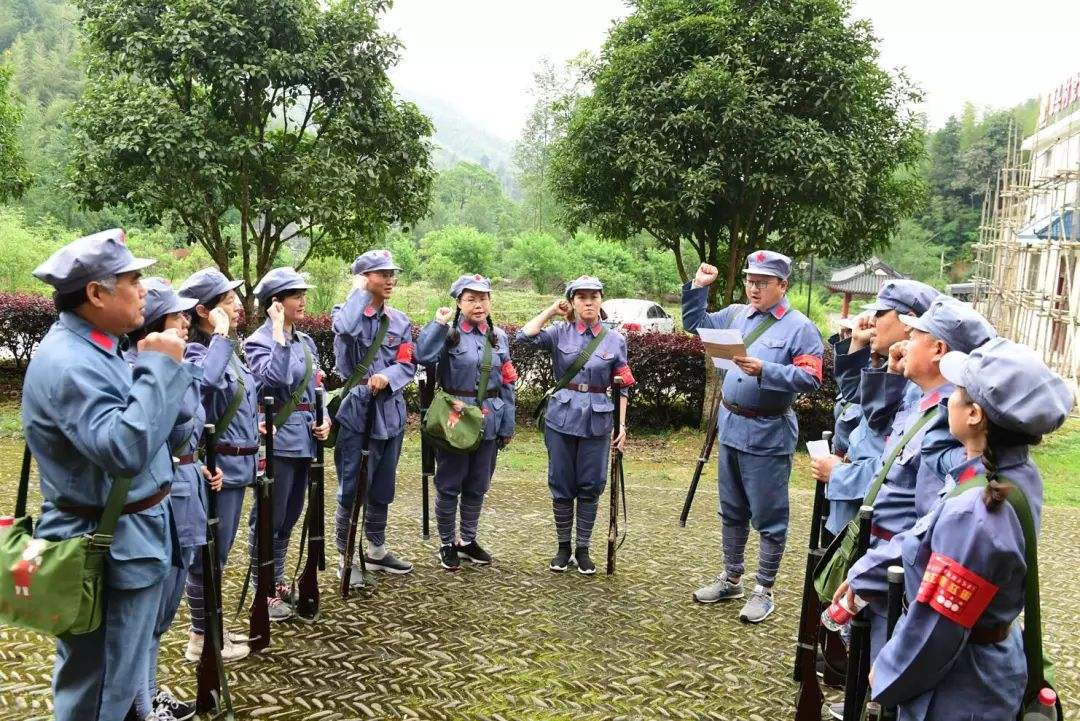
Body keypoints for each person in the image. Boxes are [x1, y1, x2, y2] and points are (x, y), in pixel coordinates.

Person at [841, 338, 1073, 719]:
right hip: (986, 668)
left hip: (958, 687)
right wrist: (867, 574)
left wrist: (887, 672)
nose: (948, 398)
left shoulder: (975, 511)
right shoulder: (1011, 474)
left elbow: (939, 629)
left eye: (957, 392)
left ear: (974, 415)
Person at [23, 229, 194, 721]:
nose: (144, 289)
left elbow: (166, 425)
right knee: (102, 693)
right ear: (96, 293)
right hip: (106, 552)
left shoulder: (105, 347)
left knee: (118, 683)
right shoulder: (72, 362)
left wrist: (161, 369)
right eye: (133, 278)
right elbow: (125, 450)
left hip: (128, 541)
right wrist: (161, 369)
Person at [684, 252, 823, 623]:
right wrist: (699, 287)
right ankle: (731, 577)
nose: (754, 288)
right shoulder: (735, 314)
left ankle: (764, 588)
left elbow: (811, 379)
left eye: (763, 282)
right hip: (731, 426)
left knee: (769, 515)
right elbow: (695, 324)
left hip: (768, 432)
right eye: (750, 280)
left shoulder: (800, 327)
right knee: (731, 509)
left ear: (783, 285)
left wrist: (768, 370)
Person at [127, 279, 224, 721]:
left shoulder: (168, 363)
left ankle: (148, 691)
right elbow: (182, 420)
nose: (186, 322)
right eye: (176, 316)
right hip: (167, 492)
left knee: (163, 609)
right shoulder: (146, 368)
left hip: (184, 480)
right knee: (151, 609)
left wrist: (197, 462)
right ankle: (142, 703)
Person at [518, 275, 635, 575]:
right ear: (572, 302)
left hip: (598, 420)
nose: (588, 302)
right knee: (561, 483)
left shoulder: (614, 339)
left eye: (594, 296)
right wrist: (549, 311)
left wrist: (622, 426)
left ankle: (583, 549)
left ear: (601, 300)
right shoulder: (559, 333)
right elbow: (524, 337)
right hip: (561, 418)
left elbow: (623, 385)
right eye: (581, 297)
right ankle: (563, 547)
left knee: (591, 485)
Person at [243, 267, 330, 619]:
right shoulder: (259, 342)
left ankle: (276, 581)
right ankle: (262, 590)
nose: (303, 301)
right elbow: (276, 378)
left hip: (305, 440)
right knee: (268, 517)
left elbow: (318, 390)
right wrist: (278, 332)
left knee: (291, 516)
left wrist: (326, 420)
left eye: (302, 294)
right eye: (295, 295)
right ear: (275, 304)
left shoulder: (306, 343)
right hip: (277, 442)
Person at [178, 267, 256, 662]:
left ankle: (213, 626)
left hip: (237, 468)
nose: (238, 306)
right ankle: (200, 637)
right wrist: (222, 338)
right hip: (216, 469)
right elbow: (203, 386)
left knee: (218, 553)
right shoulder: (196, 350)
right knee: (206, 554)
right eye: (228, 300)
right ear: (205, 311)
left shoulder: (226, 349)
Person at [416, 274, 517, 570]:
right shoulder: (448, 336)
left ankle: (467, 540)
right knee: (449, 484)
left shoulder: (499, 337)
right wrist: (438, 324)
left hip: (490, 419)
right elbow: (422, 356)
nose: (478, 304)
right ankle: (447, 543)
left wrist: (508, 424)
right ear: (459, 303)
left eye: (483, 298)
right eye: (471, 299)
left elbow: (508, 382)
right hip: (456, 421)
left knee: (477, 485)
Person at [331, 250, 416, 577]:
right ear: (365, 278)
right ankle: (345, 557)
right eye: (381, 274)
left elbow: (408, 362)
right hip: (358, 411)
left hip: (390, 413)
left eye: (392, 273)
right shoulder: (347, 313)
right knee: (352, 487)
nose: (390, 279)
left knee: (383, 485)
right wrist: (359, 290)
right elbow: (345, 328)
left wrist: (389, 376)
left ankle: (377, 550)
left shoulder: (400, 320)